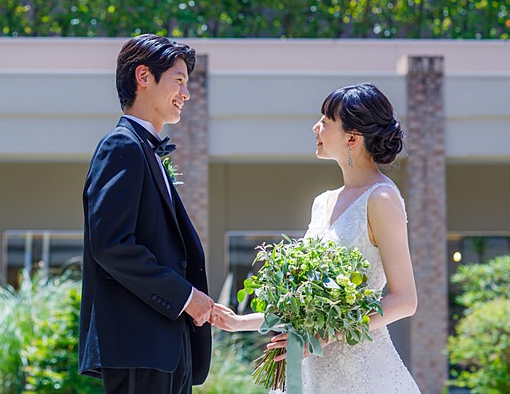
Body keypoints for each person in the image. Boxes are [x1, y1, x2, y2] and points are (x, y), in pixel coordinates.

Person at [212, 83, 420, 393]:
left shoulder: (382, 199)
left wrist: (327, 336)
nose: (315, 128)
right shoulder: (323, 202)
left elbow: (404, 301)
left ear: (352, 138)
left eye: (325, 121)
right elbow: (304, 303)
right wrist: (239, 323)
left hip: (361, 371)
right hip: (312, 368)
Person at [78, 34, 214, 394]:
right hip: (139, 346)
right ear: (143, 76)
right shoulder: (121, 146)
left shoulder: (145, 150)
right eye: (179, 80)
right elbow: (112, 245)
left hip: (167, 347)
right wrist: (186, 297)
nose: (186, 93)